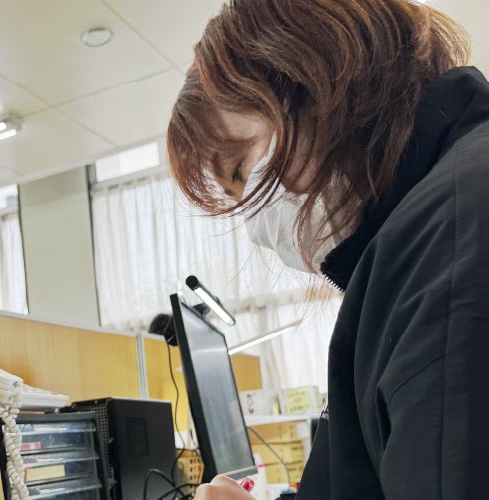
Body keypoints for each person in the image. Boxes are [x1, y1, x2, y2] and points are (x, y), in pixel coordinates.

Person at [167, 0, 489, 498]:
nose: (256, 225)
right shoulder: (411, 241)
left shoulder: (452, 236)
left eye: (240, 168)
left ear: (316, 81)